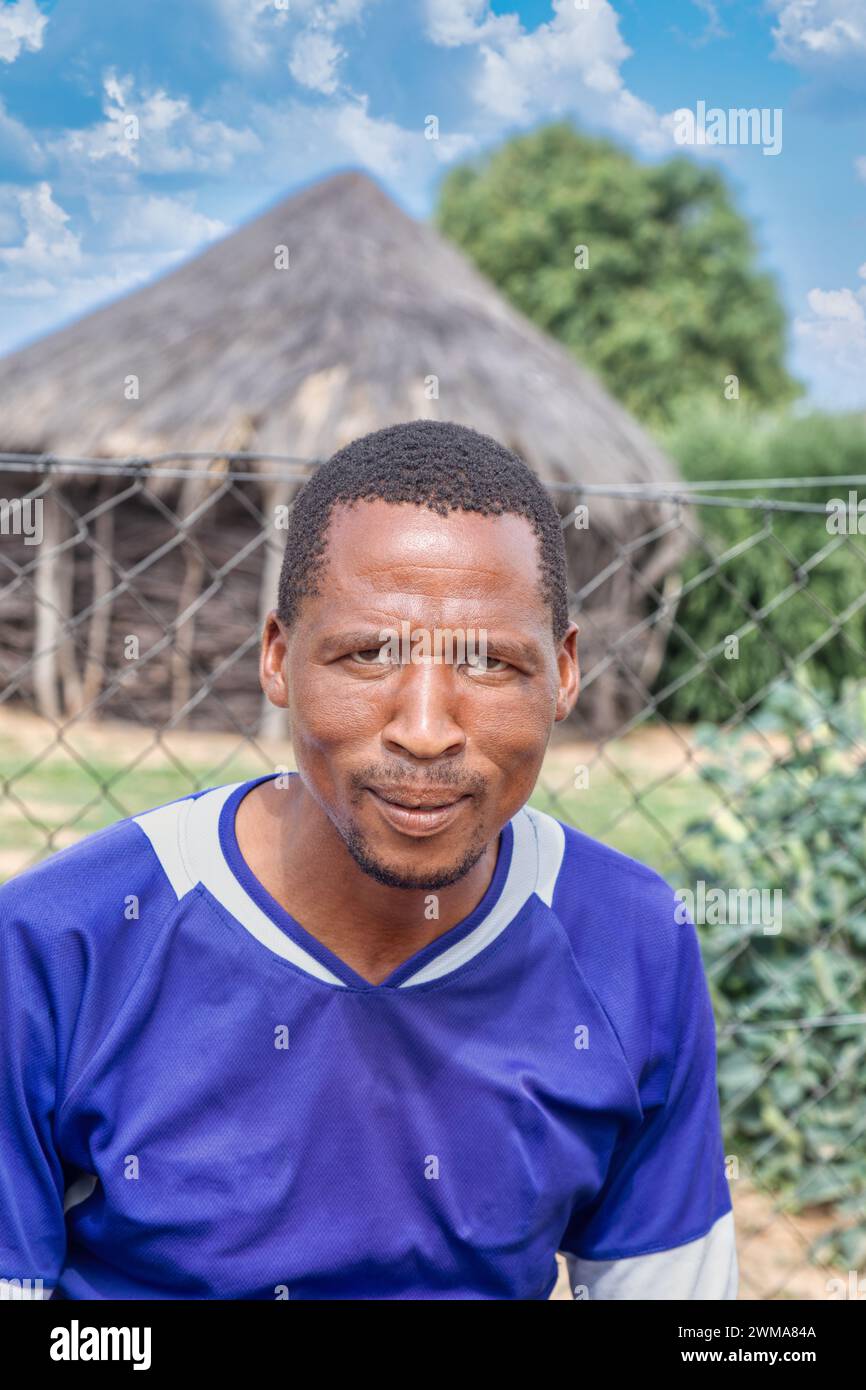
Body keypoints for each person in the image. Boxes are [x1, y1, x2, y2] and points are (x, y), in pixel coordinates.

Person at [0, 418, 737, 1300]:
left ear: (565, 673)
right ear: (279, 659)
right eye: (366, 655)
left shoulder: (632, 941)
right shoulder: (59, 946)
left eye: (493, 664)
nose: (425, 730)